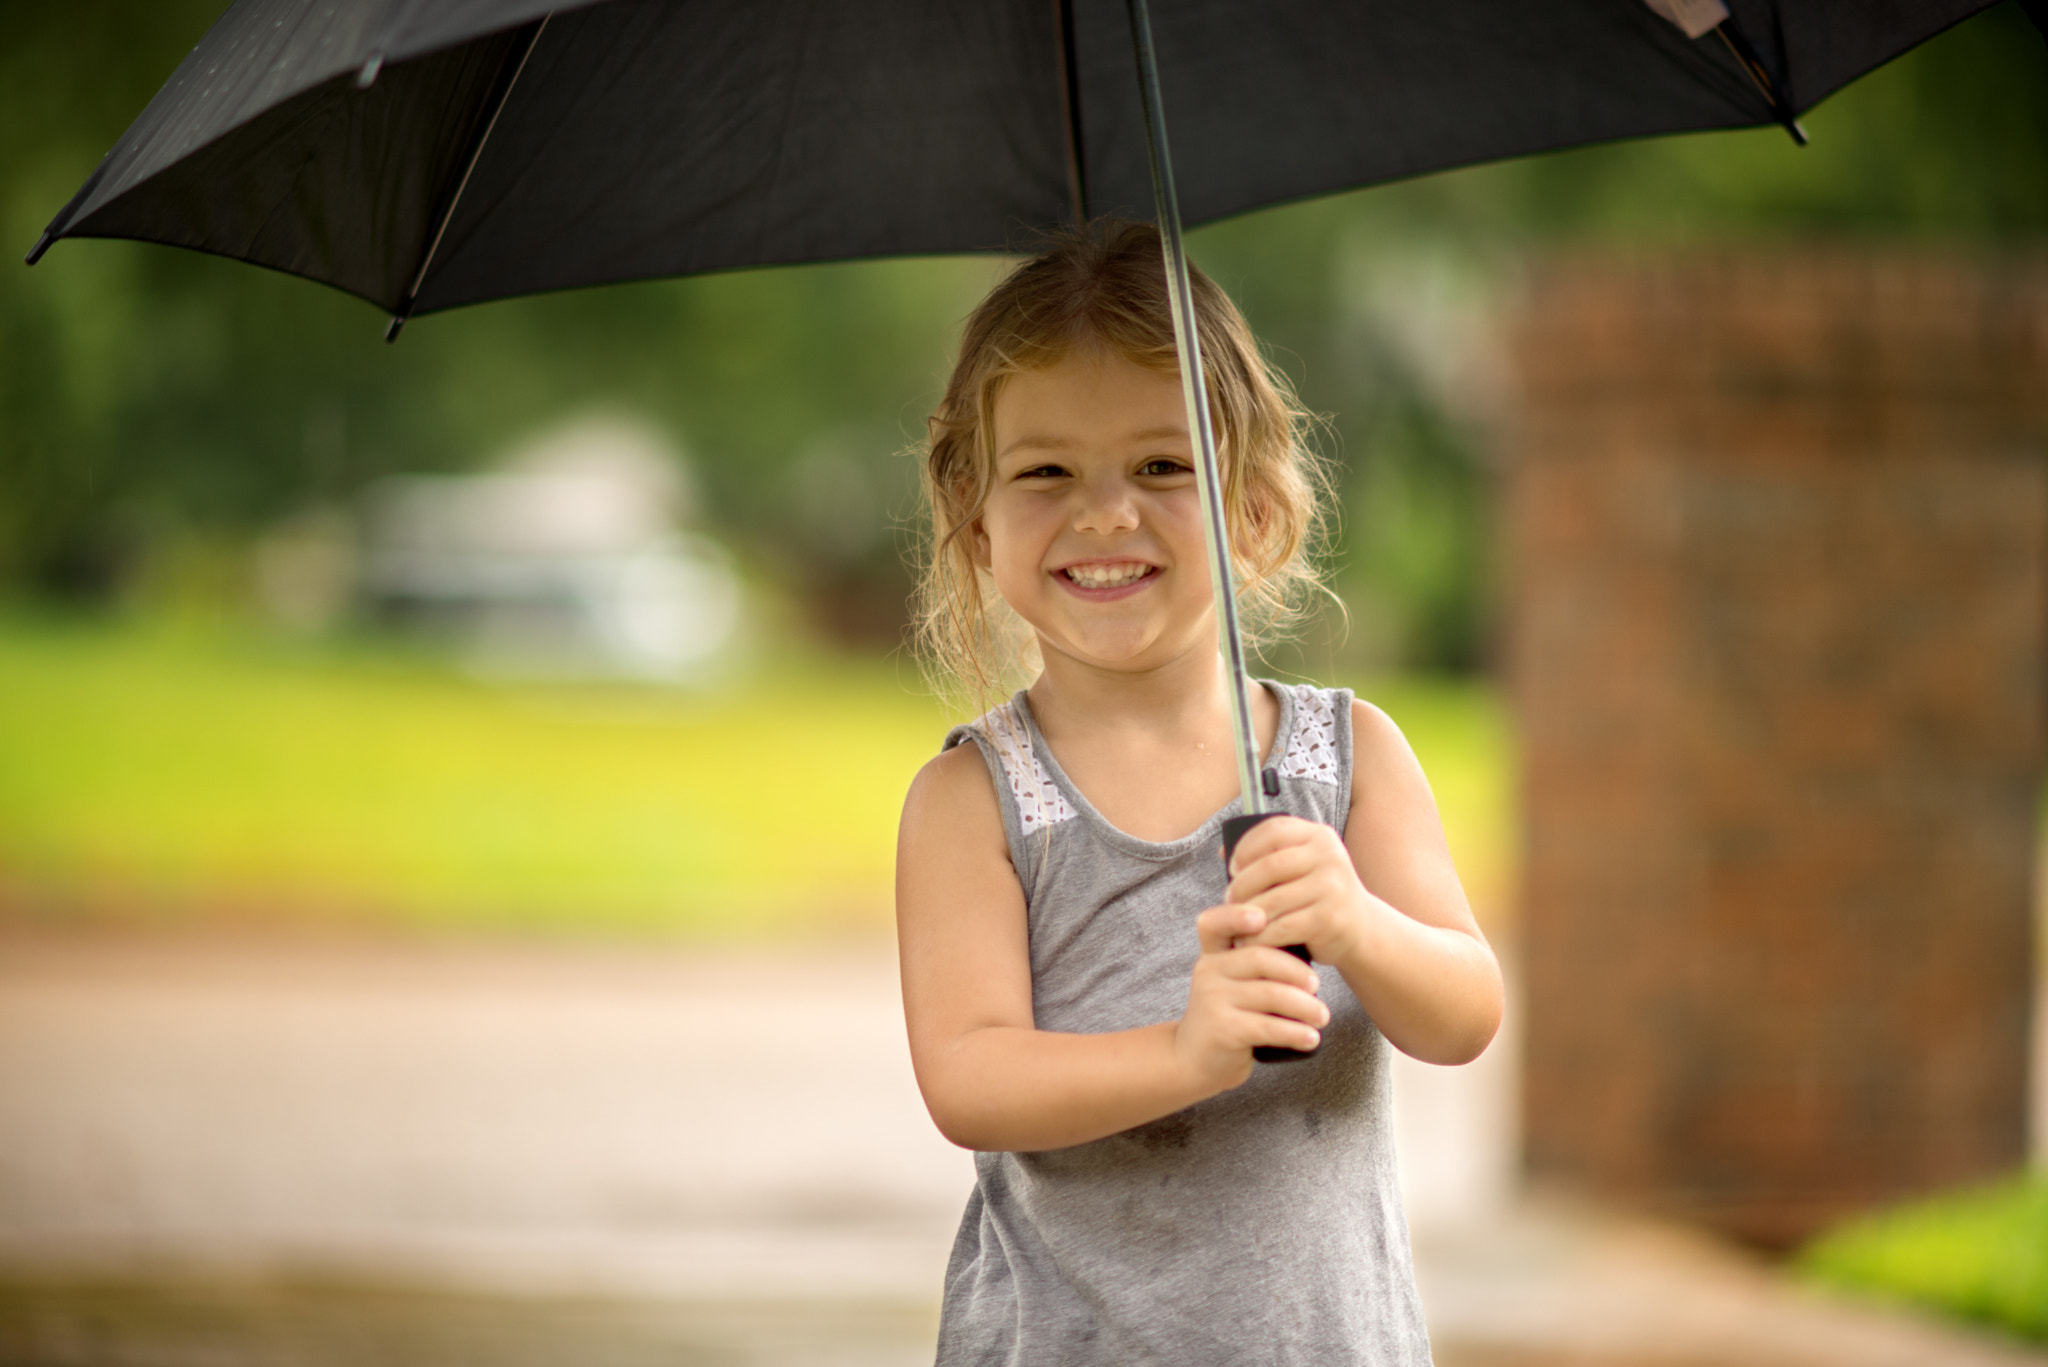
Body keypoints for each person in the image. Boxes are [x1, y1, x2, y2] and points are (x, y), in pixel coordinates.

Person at [895, 220, 1504, 1367]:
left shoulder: (1346, 757)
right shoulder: (973, 800)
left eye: (1163, 465)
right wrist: (1184, 1052)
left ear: (1255, 504)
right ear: (976, 520)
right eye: (1046, 472)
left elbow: (1465, 1008)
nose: (1105, 513)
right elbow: (969, 1075)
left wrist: (1354, 922)